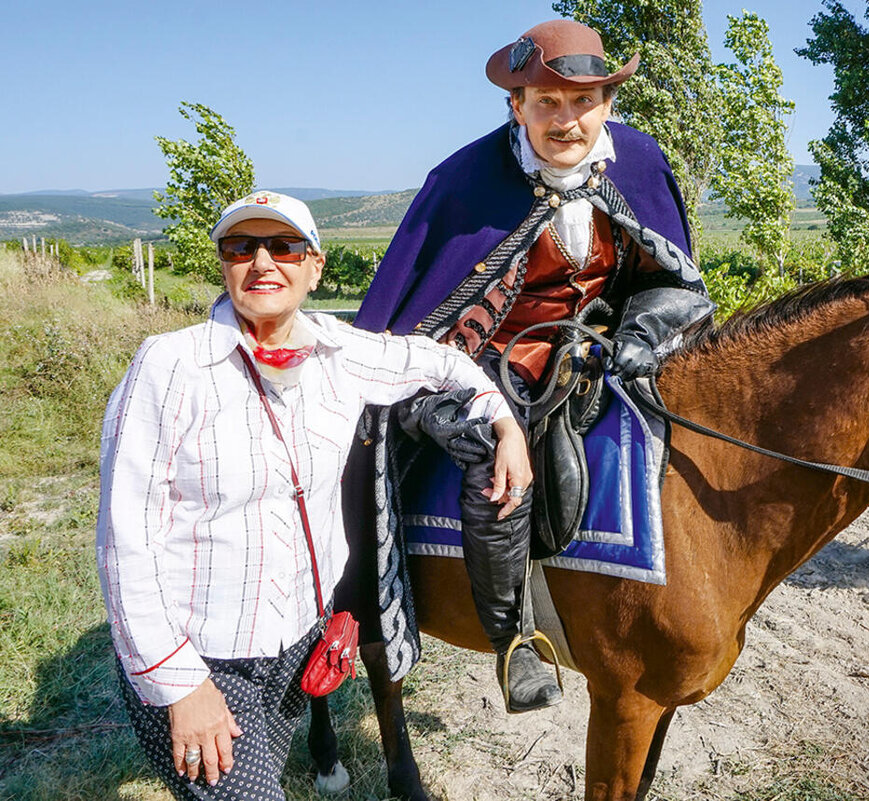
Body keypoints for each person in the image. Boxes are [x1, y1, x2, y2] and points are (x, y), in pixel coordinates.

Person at [96, 190, 527, 798]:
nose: (263, 262)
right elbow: (125, 544)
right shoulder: (170, 367)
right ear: (223, 262)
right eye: (242, 247)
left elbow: (438, 362)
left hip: (297, 647)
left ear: (315, 266)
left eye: (285, 246)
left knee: (268, 775)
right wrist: (182, 688)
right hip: (205, 657)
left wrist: (503, 421)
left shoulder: (339, 351)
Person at [346, 19, 714, 712]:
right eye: (547, 100)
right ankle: (515, 638)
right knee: (495, 462)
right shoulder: (464, 183)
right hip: (472, 359)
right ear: (516, 105)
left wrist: (640, 328)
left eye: (583, 101)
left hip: (589, 344)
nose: (566, 119)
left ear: (608, 101)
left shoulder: (637, 162)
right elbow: (415, 312)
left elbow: (671, 270)